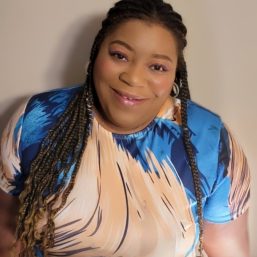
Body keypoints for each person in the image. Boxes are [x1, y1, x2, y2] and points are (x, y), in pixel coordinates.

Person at [0, 0, 251, 256]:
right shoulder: (37, 119)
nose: (132, 78)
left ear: (174, 76)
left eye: (157, 67)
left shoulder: (210, 142)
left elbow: (228, 250)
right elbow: (7, 233)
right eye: (120, 55)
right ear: (96, 53)